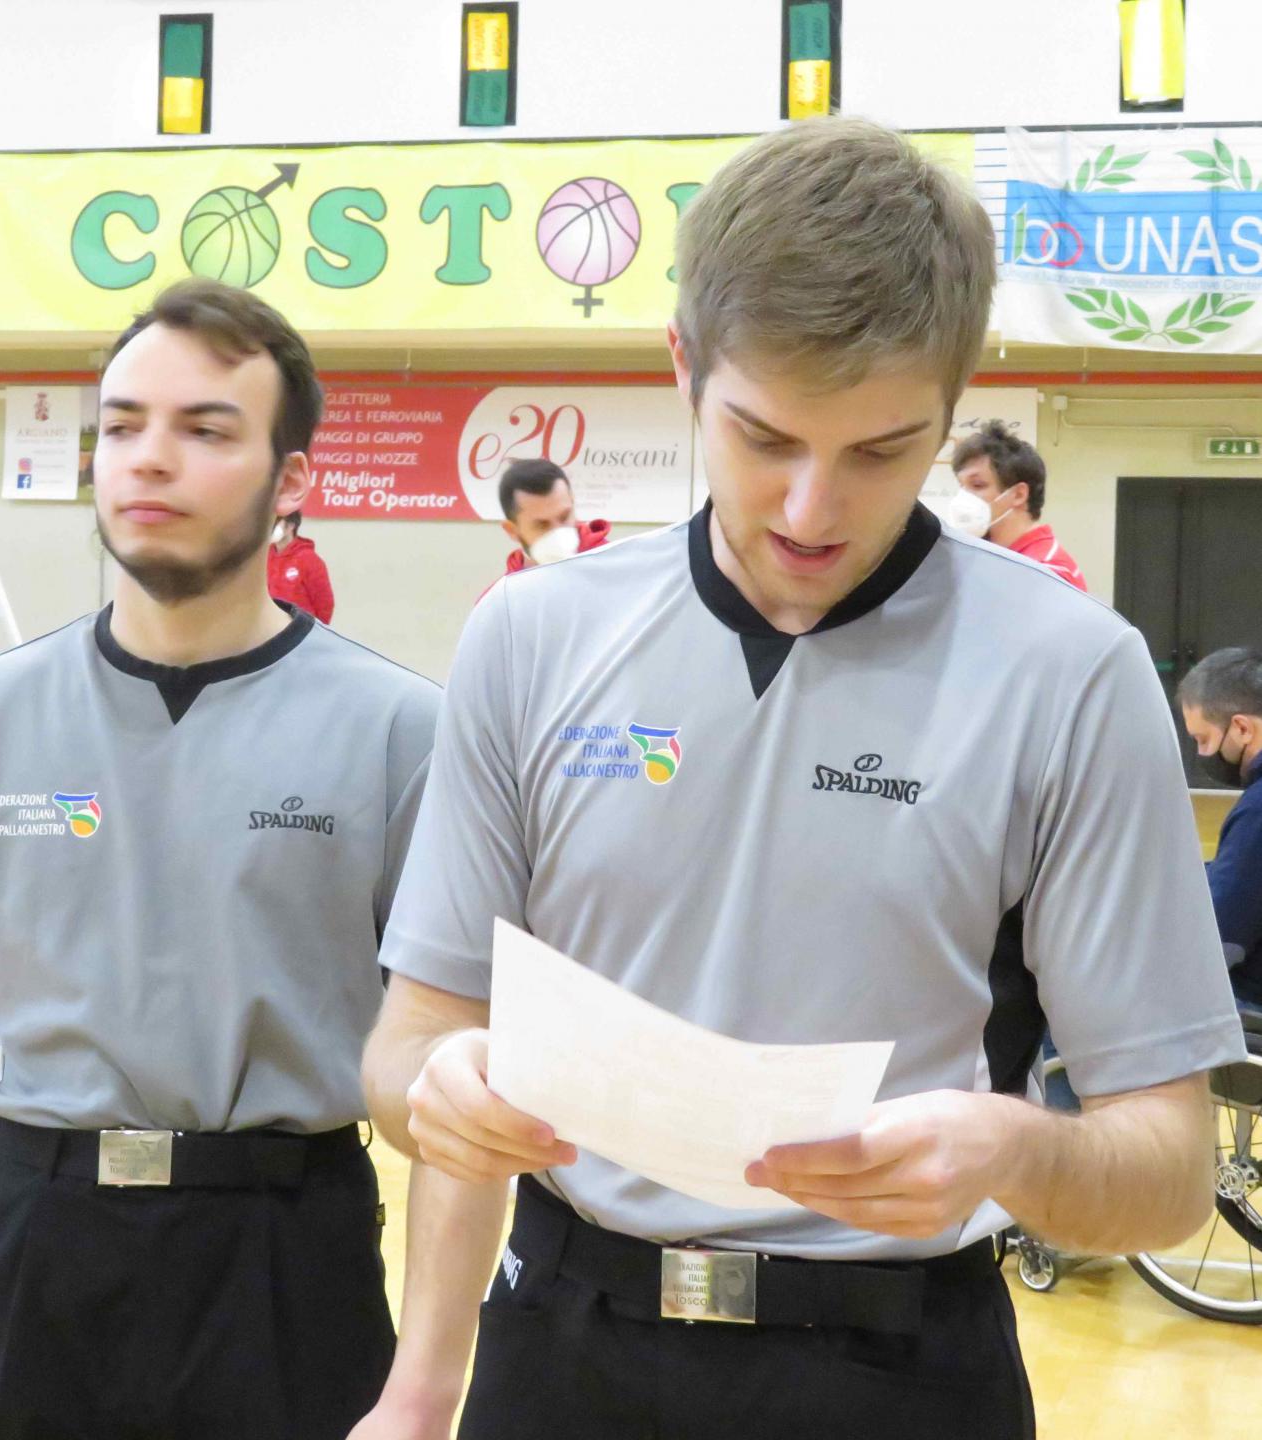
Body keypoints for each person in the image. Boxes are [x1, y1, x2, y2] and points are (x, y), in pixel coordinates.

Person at [356, 118, 1245, 1440]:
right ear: (679, 371)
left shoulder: (1066, 672)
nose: (808, 510)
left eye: (881, 452)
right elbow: (403, 1053)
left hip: (897, 1369)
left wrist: (1014, 1151)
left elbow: (1166, 1174)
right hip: (564, 1354)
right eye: (762, 437)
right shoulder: (532, 636)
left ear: (953, 413)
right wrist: (443, 1094)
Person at [0, 278, 439, 1440]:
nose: (149, 459)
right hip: (38, 1244)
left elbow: (454, 1082)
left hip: (287, 1254)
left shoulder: (399, 731)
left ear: (293, 481)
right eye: (122, 426)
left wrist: (426, 1379)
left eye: (206, 430)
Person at [1179, 647, 1262, 1009]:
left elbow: (1217, 943)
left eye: (1203, 739)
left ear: (1242, 728)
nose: (1202, 754)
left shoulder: (1257, 811)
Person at [948, 421, 1087, 590]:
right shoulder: (989, 556)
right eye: (961, 486)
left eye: (977, 485)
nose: (964, 497)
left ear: (1019, 494)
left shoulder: (1049, 572)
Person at [496, 458, 610, 577]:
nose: (558, 535)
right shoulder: (505, 594)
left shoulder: (614, 567)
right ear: (512, 530)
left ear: (572, 501)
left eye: (564, 517)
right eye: (542, 525)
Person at [268, 508, 335, 624]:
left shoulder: (309, 559)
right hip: (271, 629)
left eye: (276, 523)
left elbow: (324, 603)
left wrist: (315, 631)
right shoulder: (265, 557)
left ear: (290, 526)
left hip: (300, 628)